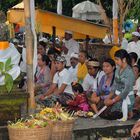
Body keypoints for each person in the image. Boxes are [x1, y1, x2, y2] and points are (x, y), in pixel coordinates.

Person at [104, 49, 135, 120]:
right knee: (104, 111)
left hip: (126, 98)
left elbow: (125, 91)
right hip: (117, 96)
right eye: (115, 59)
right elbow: (114, 86)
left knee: (111, 115)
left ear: (124, 59)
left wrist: (112, 101)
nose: (116, 62)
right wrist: (108, 97)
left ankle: (129, 111)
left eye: (117, 59)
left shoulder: (129, 72)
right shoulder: (117, 69)